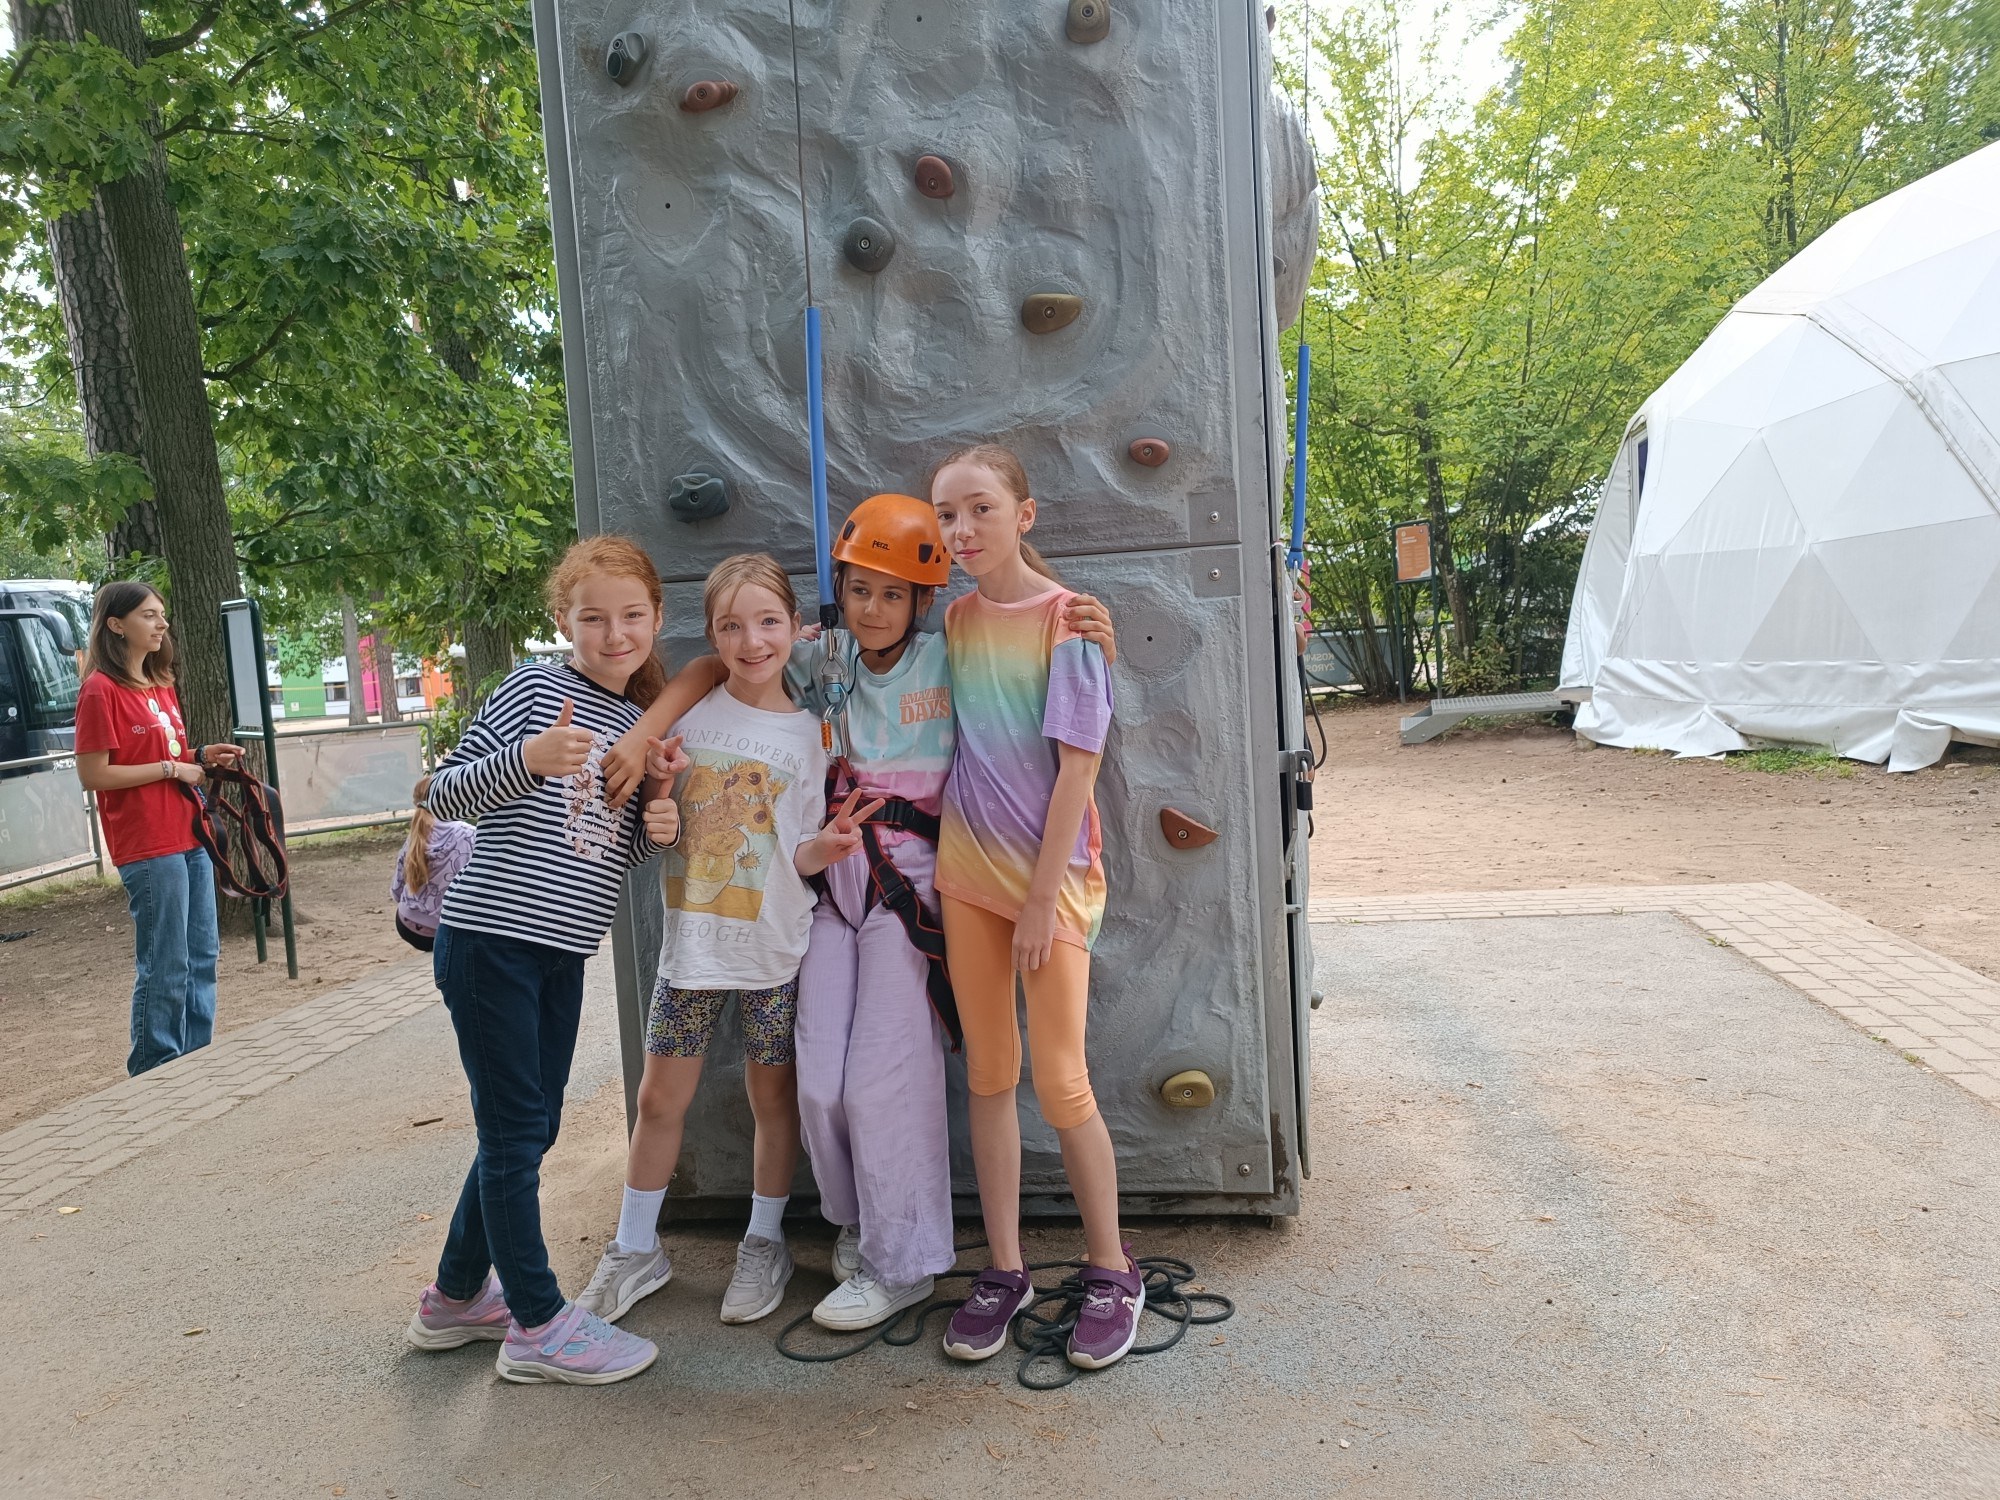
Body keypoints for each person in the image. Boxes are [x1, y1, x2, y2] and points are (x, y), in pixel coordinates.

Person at [594, 501, 1116, 1333]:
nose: (874, 609)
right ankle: (859, 1223)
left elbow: (1021, 642)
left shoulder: (952, 652)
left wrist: (1086, 630)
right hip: (832, 887)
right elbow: (710, 669)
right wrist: (647, 729)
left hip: (912, 894)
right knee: (820, 1084)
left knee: (880, 1084)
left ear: (923, 600)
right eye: (860, 591)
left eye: (894, 594)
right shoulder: (821, 658)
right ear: (839, 593)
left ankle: (902, 1261)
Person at [403, 535, 689, 1387]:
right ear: (563, 620)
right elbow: (442, 792)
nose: (614, 633)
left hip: (561, 953)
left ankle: (456, 1298)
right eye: (593, 617)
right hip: (490, 944)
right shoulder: (534, 689)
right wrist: (525, 760)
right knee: (514, 1133)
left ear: (656, 618)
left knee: (531, 1127)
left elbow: (604, 850)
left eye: (631, 616)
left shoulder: (637, 723)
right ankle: (538, 1323)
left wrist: (658, 818)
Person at [576, 553, 872, 1330]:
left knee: (771, 1099)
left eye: (768, 622)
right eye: (732, 626)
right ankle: (635, 1247)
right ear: (711, 635)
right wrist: (659, 802)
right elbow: (658, 817)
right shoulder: (687, 715)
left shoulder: (814, 735)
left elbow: (794, 852)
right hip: (692, 954)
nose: (751, 641)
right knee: (657, 1098)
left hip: (774, 954)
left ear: (794, 627)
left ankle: (764, 1242)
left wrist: (825, 849)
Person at [928, 443, 1143, 1372]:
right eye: (946, 514)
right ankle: (1005, 1269)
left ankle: (1113, 1270)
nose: (960, 529)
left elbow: (1078, 773)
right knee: (988, 1075)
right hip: (966, 878)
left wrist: (1040, 901)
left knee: (1061, 1083)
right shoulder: (953, 621)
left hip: (1050, 887)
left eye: (979, 508)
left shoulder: (1072, 624)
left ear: (1024, 515)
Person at [73, 581, 246, 1077]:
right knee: (166, 962)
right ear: (116, 624)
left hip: (189, 833)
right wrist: (173, 769)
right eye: (149, 615)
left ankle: (196, 1062)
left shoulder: (159, 682)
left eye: (161, 614)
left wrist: (199, 756)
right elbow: (94, 774)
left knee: (202, 955)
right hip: (148, 843)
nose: (162, 623)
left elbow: (159, 754)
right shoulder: (99, 691)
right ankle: (156, 1074)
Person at [389, 773, 475, 952]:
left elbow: (397, 891)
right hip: (442, 931)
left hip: (405, 922)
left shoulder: (415, 836)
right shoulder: (468, 835)